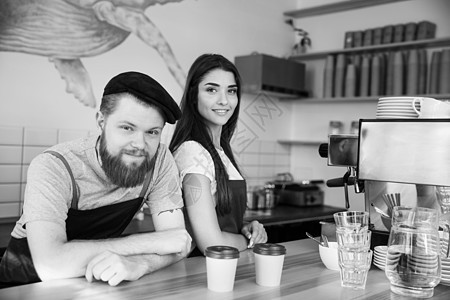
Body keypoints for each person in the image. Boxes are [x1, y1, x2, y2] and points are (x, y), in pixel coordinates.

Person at [0, 72, 192, 288]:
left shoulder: (160, 161)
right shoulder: (54, 166)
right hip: (25, 286)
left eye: (152, 132)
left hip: (96, 285)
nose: (140, 144)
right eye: (127, 128)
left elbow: (177, 243)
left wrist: (141, 264)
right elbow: (50, 265)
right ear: (101, 121)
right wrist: (151, 242)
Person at [169, 54, 267, 257]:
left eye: (231, 91)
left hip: (226, 266)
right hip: (202, 273)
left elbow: (218, 219)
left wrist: (246, 228)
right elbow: (211, 244)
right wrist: (248, 241)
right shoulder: (192, 152)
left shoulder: (220, 151)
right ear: (193, 95)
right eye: (211, 90)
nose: (224, 100)